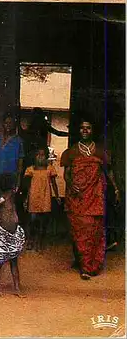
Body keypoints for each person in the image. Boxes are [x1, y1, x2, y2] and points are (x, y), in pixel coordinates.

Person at [61, 117, 120, 280]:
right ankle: (84, 265)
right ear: (78, 130)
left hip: (95, 197)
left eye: (88, 127)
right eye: (82, 128)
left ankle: (91, 265)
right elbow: (66, 175)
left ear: (92, 130)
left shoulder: (101, 151)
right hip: (77, 198)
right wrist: (72, 185)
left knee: (94, 231)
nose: (85, 130)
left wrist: (115, 188)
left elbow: (109, 172)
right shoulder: (71, 151)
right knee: (79, 231)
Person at [0, 173, 26, 297]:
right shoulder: (5, 197)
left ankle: (16, 288)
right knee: (0, 261)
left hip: (12, 233)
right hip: (3, 234)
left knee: (12, 262)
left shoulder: (10, 197)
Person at [23, 146, 60, 251]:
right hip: (33, 197)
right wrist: (26, 199)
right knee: (32, 220)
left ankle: (39, 242)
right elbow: (27, 186)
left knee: (43, 221)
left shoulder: (50, 169)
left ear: (46, 157)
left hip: (45, 197)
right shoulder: (30, 169)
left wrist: (57, 196)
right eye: (38, 155)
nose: (40, 157)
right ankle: (30, 240)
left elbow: (53, 183)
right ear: (35, 157)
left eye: (43, 155)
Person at [0, 112, 25, 195]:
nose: (8, 125)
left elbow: (20, 164)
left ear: (14, 125)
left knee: (8, 203)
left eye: (10, 123)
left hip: (11, 177)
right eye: (6, 123)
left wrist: (18, 182)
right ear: (3, 124)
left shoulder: (18, 141)